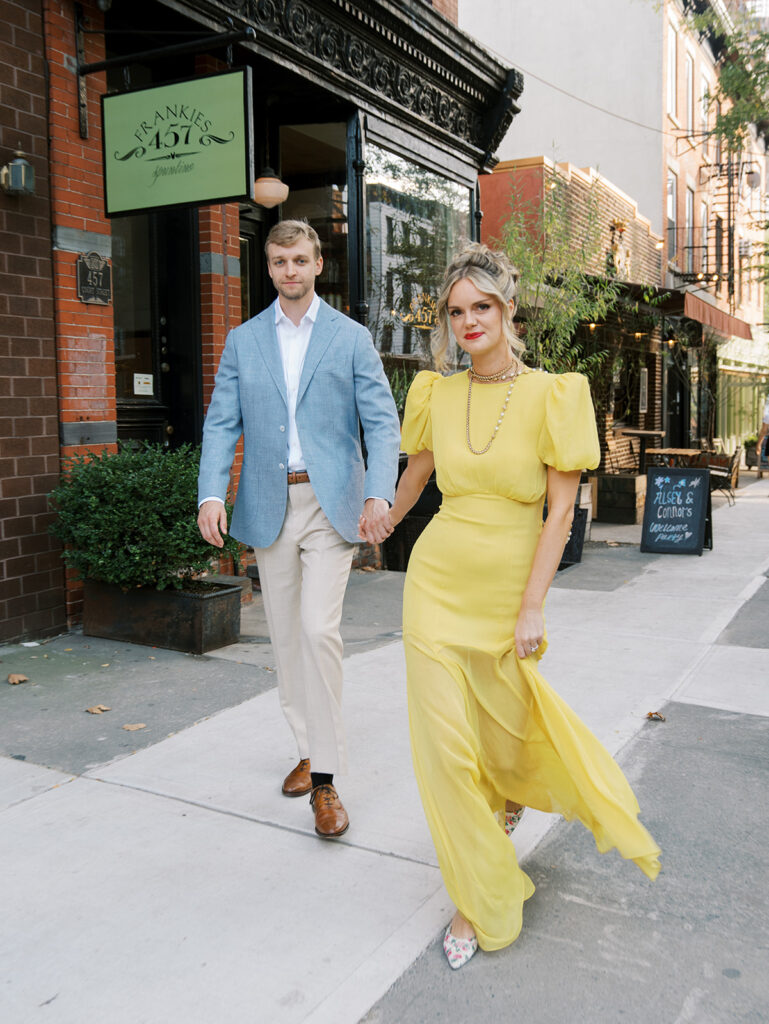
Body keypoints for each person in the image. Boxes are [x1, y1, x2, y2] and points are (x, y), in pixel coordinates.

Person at [361, 243, 660, 969]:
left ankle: (514, 792)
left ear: (507, 310)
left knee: (500, 720)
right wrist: (382, 519)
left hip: (503, 591)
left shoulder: (553, 394)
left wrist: (532, 607)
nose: (468, 321)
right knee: (443, 748)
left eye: (481, 307)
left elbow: (559, 515)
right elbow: (417, 474)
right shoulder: (437, 392)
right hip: (435, 581)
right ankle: (480, 893)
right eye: (455, 311)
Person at [198, 219, 400, 838]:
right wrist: (210, 491)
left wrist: (378, 492)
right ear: (269, 268)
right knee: (286, 640)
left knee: (318, 631)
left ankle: (326, 783)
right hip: (267, 504)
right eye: (279, 261)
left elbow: (382, 423)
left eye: (300, 260)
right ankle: (307, 744)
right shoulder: (243, 339)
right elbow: (220, 423)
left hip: (330, 504)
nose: (290, 270)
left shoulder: (350, 337)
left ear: (318, 264)